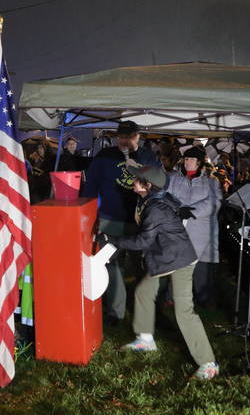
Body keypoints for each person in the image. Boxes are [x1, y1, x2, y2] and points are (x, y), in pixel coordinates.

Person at [103, 165, 219, 380]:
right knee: (143, 292)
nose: (133, 181)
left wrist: (114, 240)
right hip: (165, 258)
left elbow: (143, 240)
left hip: (180, 260)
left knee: (184, 311)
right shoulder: (150, 201)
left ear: (147, 185)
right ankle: (146, 340)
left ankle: (208, 363)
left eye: (137, 179)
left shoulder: (156, 208)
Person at [80, 120, 160, 323]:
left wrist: (140, 169)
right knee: (110, 264)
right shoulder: (105, 156)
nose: (124, 141)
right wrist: (89, 214)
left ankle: (144, 308)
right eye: (121, 137)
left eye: (129, 137)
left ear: (138, 137)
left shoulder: (148, 156)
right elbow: (91, 186)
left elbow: (160, 184)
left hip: (139, 219)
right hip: (110, 219)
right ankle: (116, 311)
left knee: (140, 265)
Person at [164, 147, 223, 306]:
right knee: (177, 263)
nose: (187, 161)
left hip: (201, 232)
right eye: (185, 158)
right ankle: (172, 296)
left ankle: (203, 298)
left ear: (199, 162)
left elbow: (214, 203)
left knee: (201, 268)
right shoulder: (173, 178)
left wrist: (192, 211)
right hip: (178, 228)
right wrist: (177, 210)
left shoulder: (211, 181)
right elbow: (166, 197)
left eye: (190, 159)